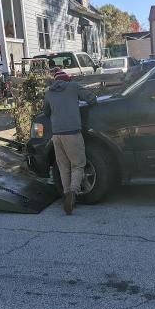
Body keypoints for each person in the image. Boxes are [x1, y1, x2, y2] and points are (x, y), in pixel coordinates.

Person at [43, 75, 96, 215]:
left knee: (63, 166)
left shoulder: (48, 93)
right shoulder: (73, 87)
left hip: (57, 135)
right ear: (68, 80)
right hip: (73, 133)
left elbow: (46, 112)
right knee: (78, 165)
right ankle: (73, 191)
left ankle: (67, 195)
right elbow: (91, 98)